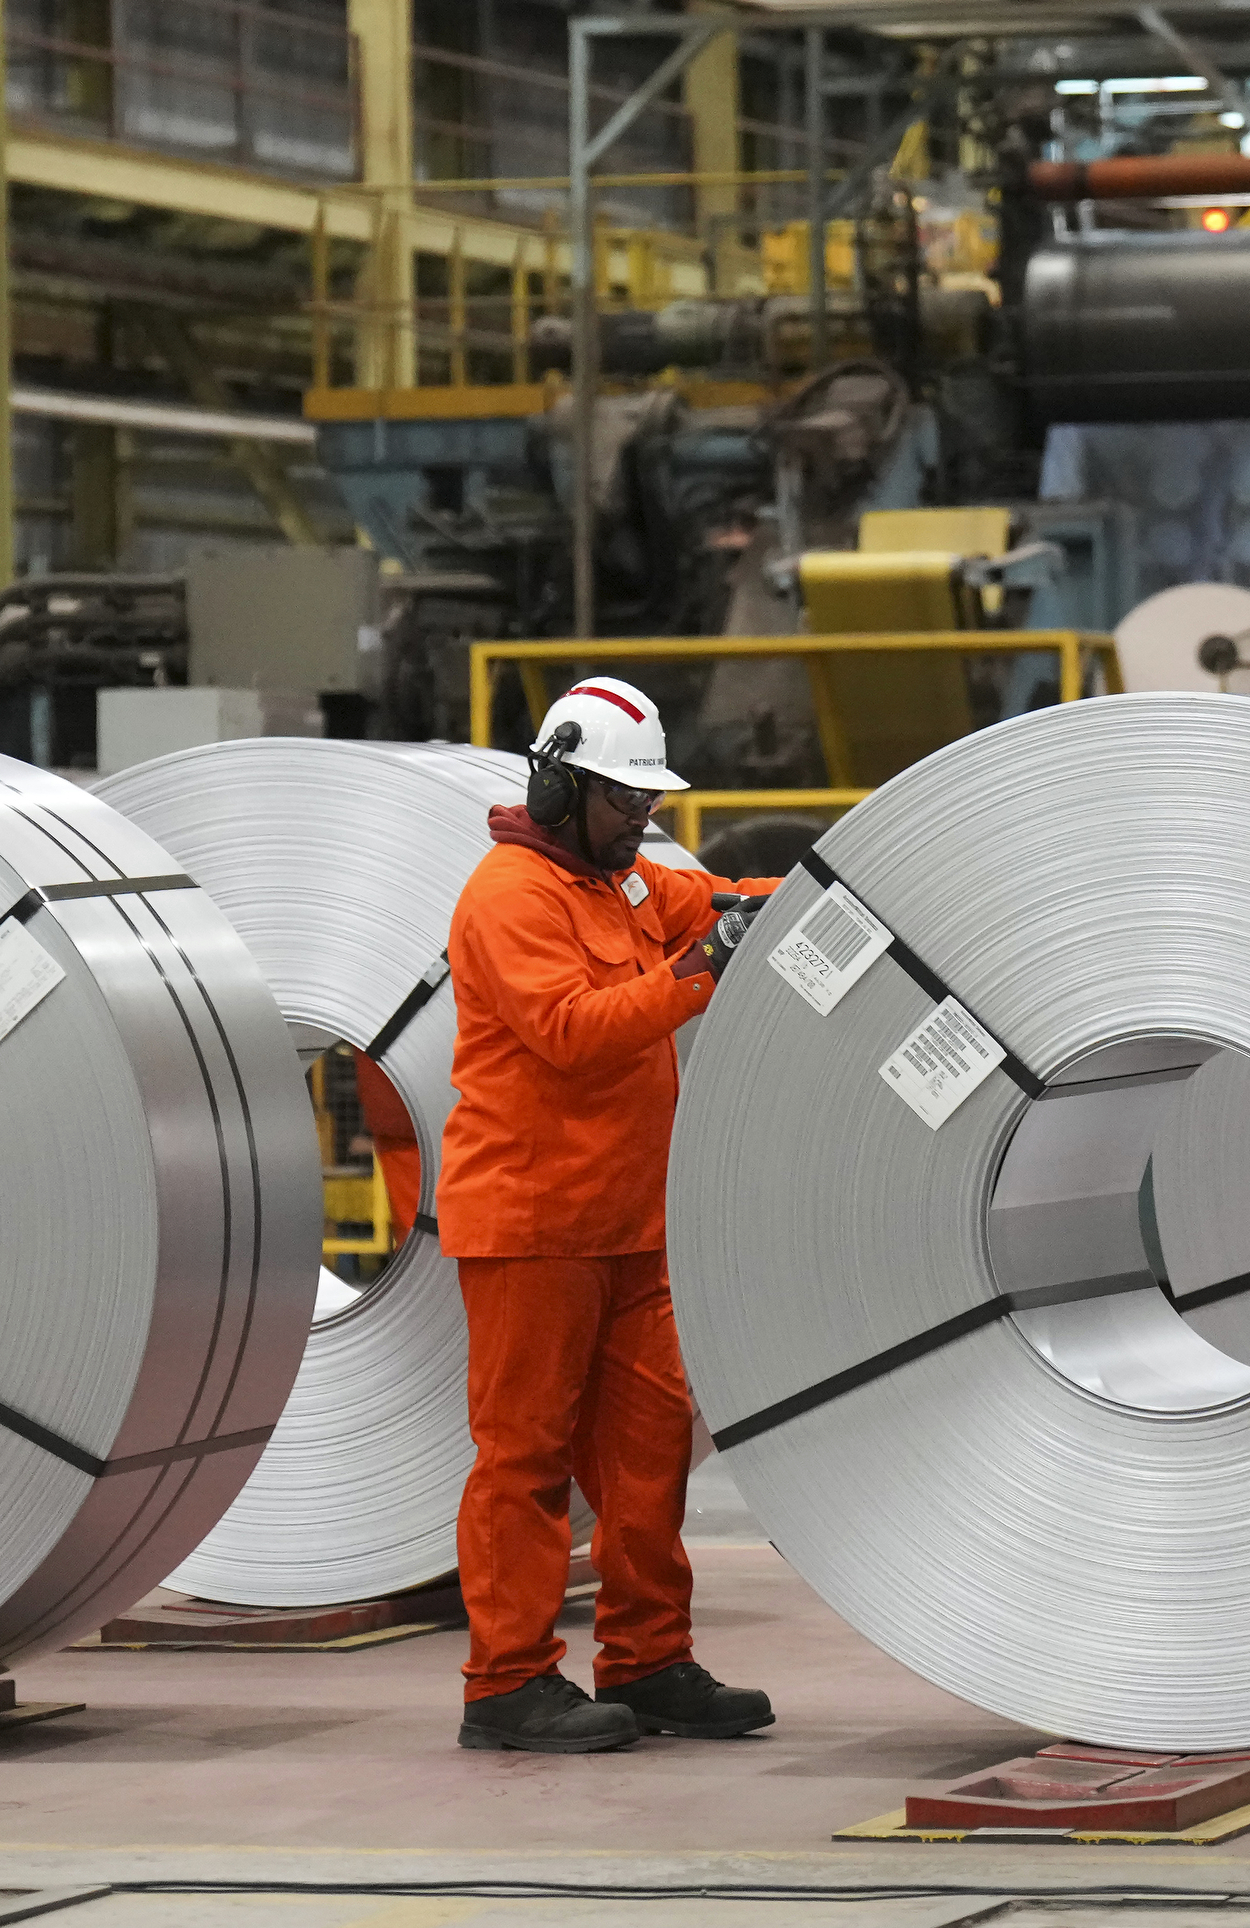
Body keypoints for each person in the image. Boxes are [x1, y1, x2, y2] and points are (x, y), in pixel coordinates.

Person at [435, 676, 779, 1754]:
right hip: (531, 1225)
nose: (645, 818)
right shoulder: (510, 897)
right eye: (625, 799)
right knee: (525, 1460)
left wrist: (834, 889)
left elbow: (722, 900)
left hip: (629, 1224)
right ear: (557, 787)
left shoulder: (625, 884)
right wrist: (698, 972)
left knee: (646, 1457)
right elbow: (574, 1032)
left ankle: (648, 1661)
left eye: (648, 800)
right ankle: (506, 1684)